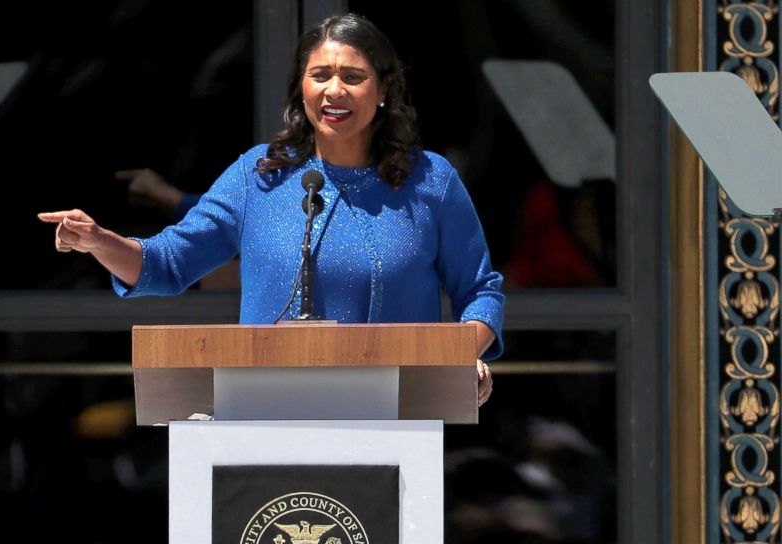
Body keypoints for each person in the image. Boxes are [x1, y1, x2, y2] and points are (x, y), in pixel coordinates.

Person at [39, 14, 503, 404]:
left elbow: (481, 290)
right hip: (268, 414)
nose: (334, 90)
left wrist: (464, 353)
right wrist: (99, 240)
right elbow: (166, 263)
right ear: (301, 88)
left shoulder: (431, 181)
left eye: (353, 77)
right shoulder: (259, 176)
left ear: (383, 89)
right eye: (320, 75)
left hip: (402, 412)